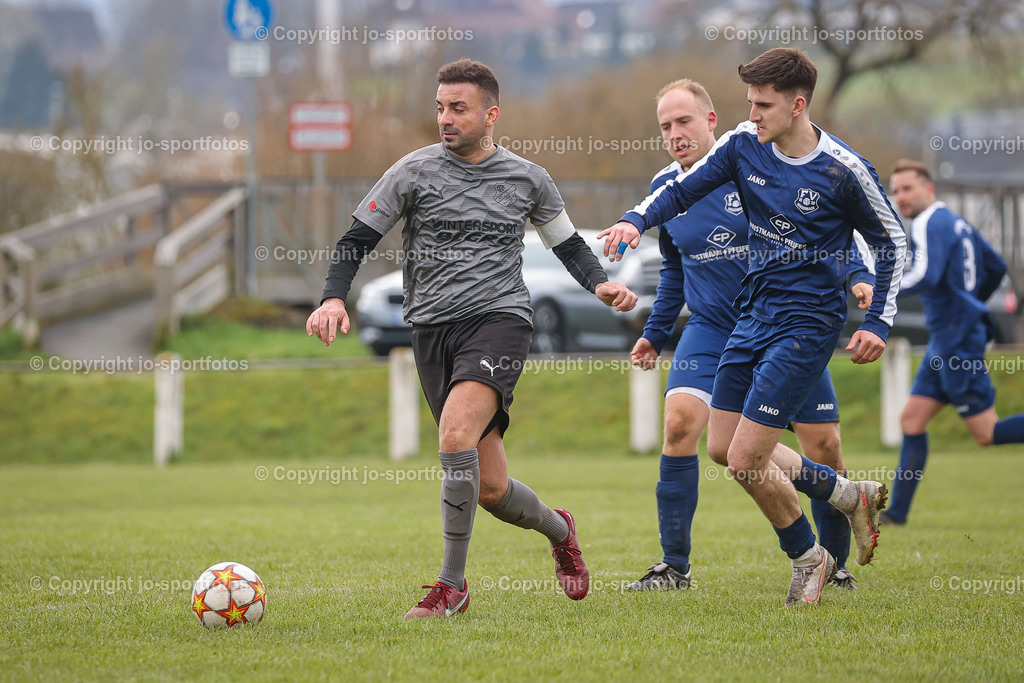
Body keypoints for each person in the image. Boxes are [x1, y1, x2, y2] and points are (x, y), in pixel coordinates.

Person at [306, 59, 639, 618]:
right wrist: (333, 297)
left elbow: (567, 245)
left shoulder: (527, 178)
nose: (445, 118)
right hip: (431, 332)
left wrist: (601, 285)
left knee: (455, 434)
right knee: (490, 489)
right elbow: (355, 240)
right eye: (440, 108)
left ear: (491, 114)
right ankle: (561, 530)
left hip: (500, 322)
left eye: (458, 108)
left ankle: (451, 588)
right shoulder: (411, 172)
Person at [600, 47, 907, 606]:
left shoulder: (843, 170)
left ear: (797, 105)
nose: (754, 114)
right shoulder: (744, 147)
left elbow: (891, 241)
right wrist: (633, 218)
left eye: (763, 105)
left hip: (806, 323)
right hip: (753, 314)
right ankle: (847, 495)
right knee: (723, 449)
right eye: (749, 103)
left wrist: (879, 318)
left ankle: (813, 561)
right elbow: (682, 190)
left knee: (757, 457)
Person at [881, 159, 1024, 526]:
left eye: (907, 188)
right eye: (895, 191)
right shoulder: (956, 221)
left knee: (986, 433)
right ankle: (895, 515)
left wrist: (882, 293)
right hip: (946, 340)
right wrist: (973, 300)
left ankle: (896, 513)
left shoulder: (930, 222)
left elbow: (925, 274)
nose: (901, 197)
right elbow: (995, 265)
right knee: (911, 420)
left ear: (929, 189)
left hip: (957, 341)